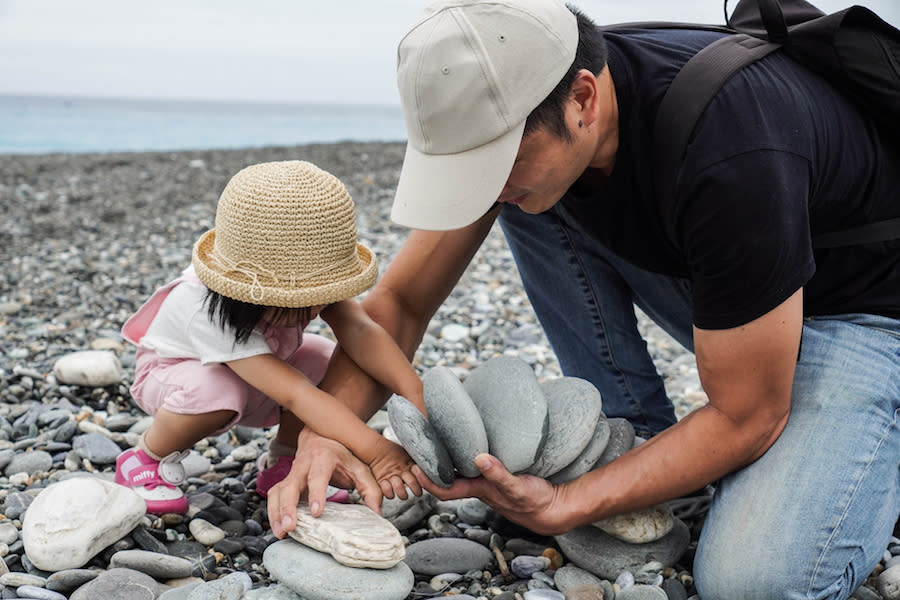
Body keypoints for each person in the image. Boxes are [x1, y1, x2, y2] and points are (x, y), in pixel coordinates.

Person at [267, 1, 900, 597]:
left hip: (865, 315)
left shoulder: (729, 148)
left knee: (754, 584)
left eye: (494, 160)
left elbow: (748, 414)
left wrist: (565, 504)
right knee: (530, 196)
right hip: (743, 286)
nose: (484, 184)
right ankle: (639, 441)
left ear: (583, 100)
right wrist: (326, 435)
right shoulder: (542, 105)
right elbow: (399, 305)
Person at [115, 160, 424, 515]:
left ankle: (283, 459)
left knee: (323, 358)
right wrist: (378, 452)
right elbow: (296, 394)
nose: (312, 309)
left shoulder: (313, 268)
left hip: (261, 370)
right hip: (173, 376)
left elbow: (360, 331)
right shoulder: (204, 307)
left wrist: (416, 394)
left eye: (318, 296)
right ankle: (146, 458)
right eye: (296, 303)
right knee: (214, 388)